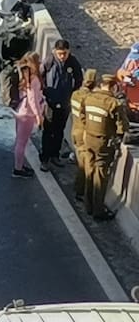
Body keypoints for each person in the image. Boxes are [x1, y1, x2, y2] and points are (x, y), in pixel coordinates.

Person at [79, 74, 130, 221]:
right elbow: (123, 127)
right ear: (114, 86)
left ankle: (88, 206)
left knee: (89, 171)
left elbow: (82, 116)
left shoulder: (88, 98)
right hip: (103, 144)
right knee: (100, 176)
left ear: (101, 84)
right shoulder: (114, 103)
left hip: (88, 139)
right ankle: (98, 211)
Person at [40, 39, 83, 171]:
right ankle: (45, 159)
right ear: (55, 52)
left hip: (64, 103)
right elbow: (40, 76)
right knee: (48, 131)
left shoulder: (72, 62)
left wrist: (72, 94)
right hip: (50, 103)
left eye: (64, 53)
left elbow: (79, 78)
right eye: (60, 53)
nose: (62, 56)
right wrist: (45, 92)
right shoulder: (49, 60)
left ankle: (55, 155)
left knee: (59, 131)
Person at [11, 53, 44, 178]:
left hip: (19, 110)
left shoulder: (23, 73)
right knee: (22, 142)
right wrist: (38, 116)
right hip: (27, 114)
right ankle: (18, 169)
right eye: (38, 61)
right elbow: (33, 99)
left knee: (19, 140)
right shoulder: (33, 79)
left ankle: (19, 165)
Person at [69, 68, 98, 200]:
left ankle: (78, 189)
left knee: (80, 162)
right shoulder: (89, 99)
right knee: (86, 166)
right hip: (85, 136)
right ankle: (81, 192)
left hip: (75, 131)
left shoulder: (75, 94)